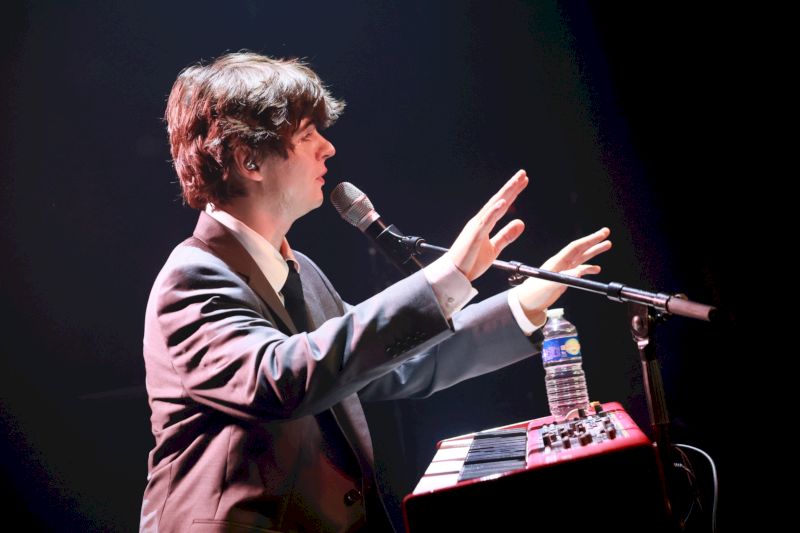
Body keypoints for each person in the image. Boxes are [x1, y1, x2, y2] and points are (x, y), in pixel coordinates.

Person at [140, 52, 612, 533]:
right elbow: (282, 378)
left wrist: (526, 301)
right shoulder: (194, 276)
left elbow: (399, 360)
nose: (328, 148)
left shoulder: (300, 270)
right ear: (249, 159)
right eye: (307, 135)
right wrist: (447, 276)